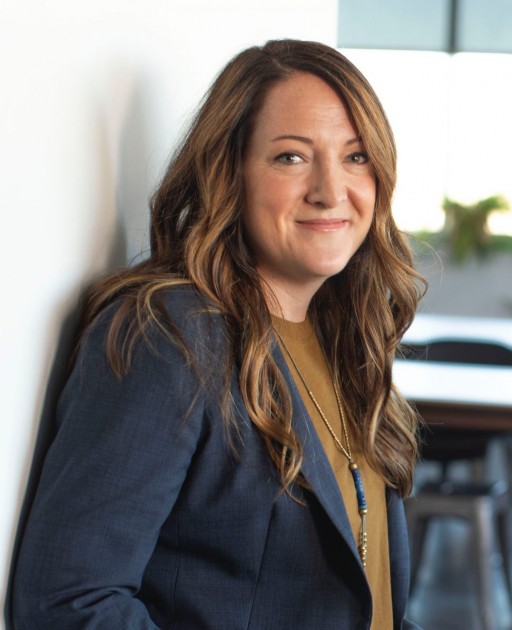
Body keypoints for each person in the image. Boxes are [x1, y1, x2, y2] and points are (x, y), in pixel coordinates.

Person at [12, 39, 426, 629]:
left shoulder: (347, 336)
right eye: (291, 157)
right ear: (230, 171)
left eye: (356, 157)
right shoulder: (168, 337)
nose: (331, 191)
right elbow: (67, 601)